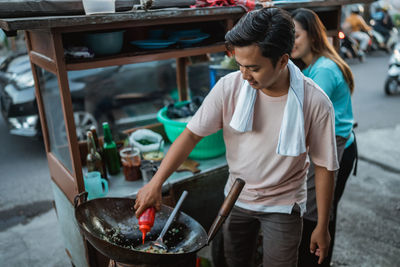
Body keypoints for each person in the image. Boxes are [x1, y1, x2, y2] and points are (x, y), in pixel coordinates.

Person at [134, 7, 339, 267]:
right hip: (236, 197)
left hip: (284, 203)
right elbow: (190, 135)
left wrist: (322, 225)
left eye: (253, 68)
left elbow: (324, 166)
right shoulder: (229, 87)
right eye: (239, 65)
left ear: (283, 60)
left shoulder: (315, 102)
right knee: (234, 260)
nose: (244, 75)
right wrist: (155, 183)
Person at [291, 8, 356, 267]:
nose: (291, 42)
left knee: (317, 214)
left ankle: (315, 260)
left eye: (296, 35)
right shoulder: (310, 67)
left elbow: (307, 119)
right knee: (323, 212)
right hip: (335, 141)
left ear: (313, 35)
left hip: (337, 145)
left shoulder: (324, 70)